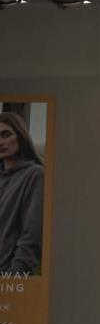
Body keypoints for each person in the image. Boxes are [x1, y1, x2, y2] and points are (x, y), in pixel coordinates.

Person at [0, 110, 43, 278]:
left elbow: (32, 237)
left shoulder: (35, 175)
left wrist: (14, 278)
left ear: (20, 136)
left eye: (6, 135)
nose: (0, 142)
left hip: (9, 279)